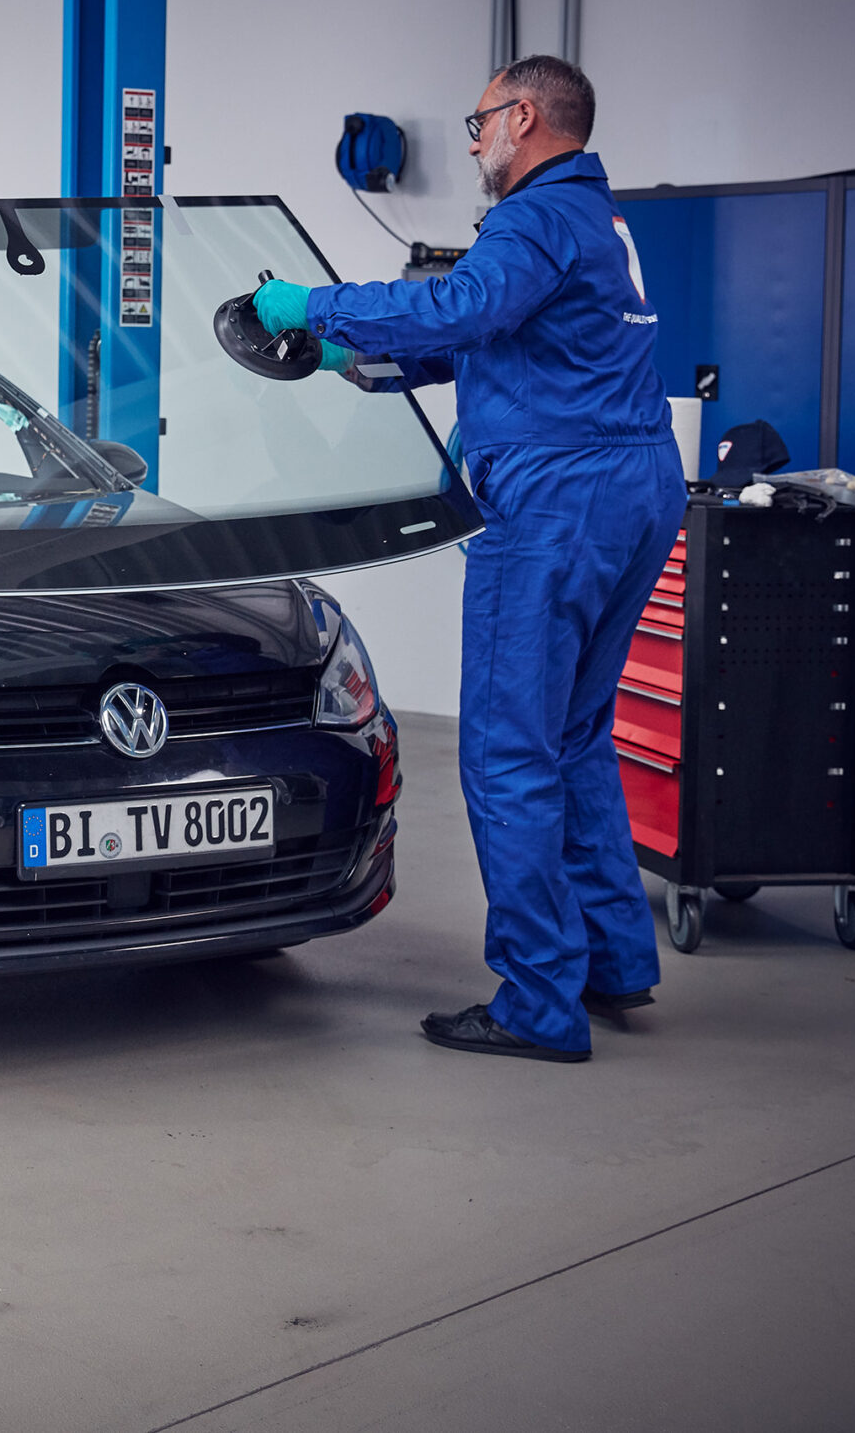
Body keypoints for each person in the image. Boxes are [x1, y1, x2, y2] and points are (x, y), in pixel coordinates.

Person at [249, 55, 682, 1063]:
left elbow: (459, 312)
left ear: (522, 117)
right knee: (573, 736)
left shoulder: (530, 218)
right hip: (634, 488)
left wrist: (313, 307)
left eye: (480, 121)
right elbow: (488, 341)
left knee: (507, 749)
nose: (476, 140)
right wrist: (347, 357)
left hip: (556, 500)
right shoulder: (594, 218)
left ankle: (538, 1001)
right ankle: (612, 960)